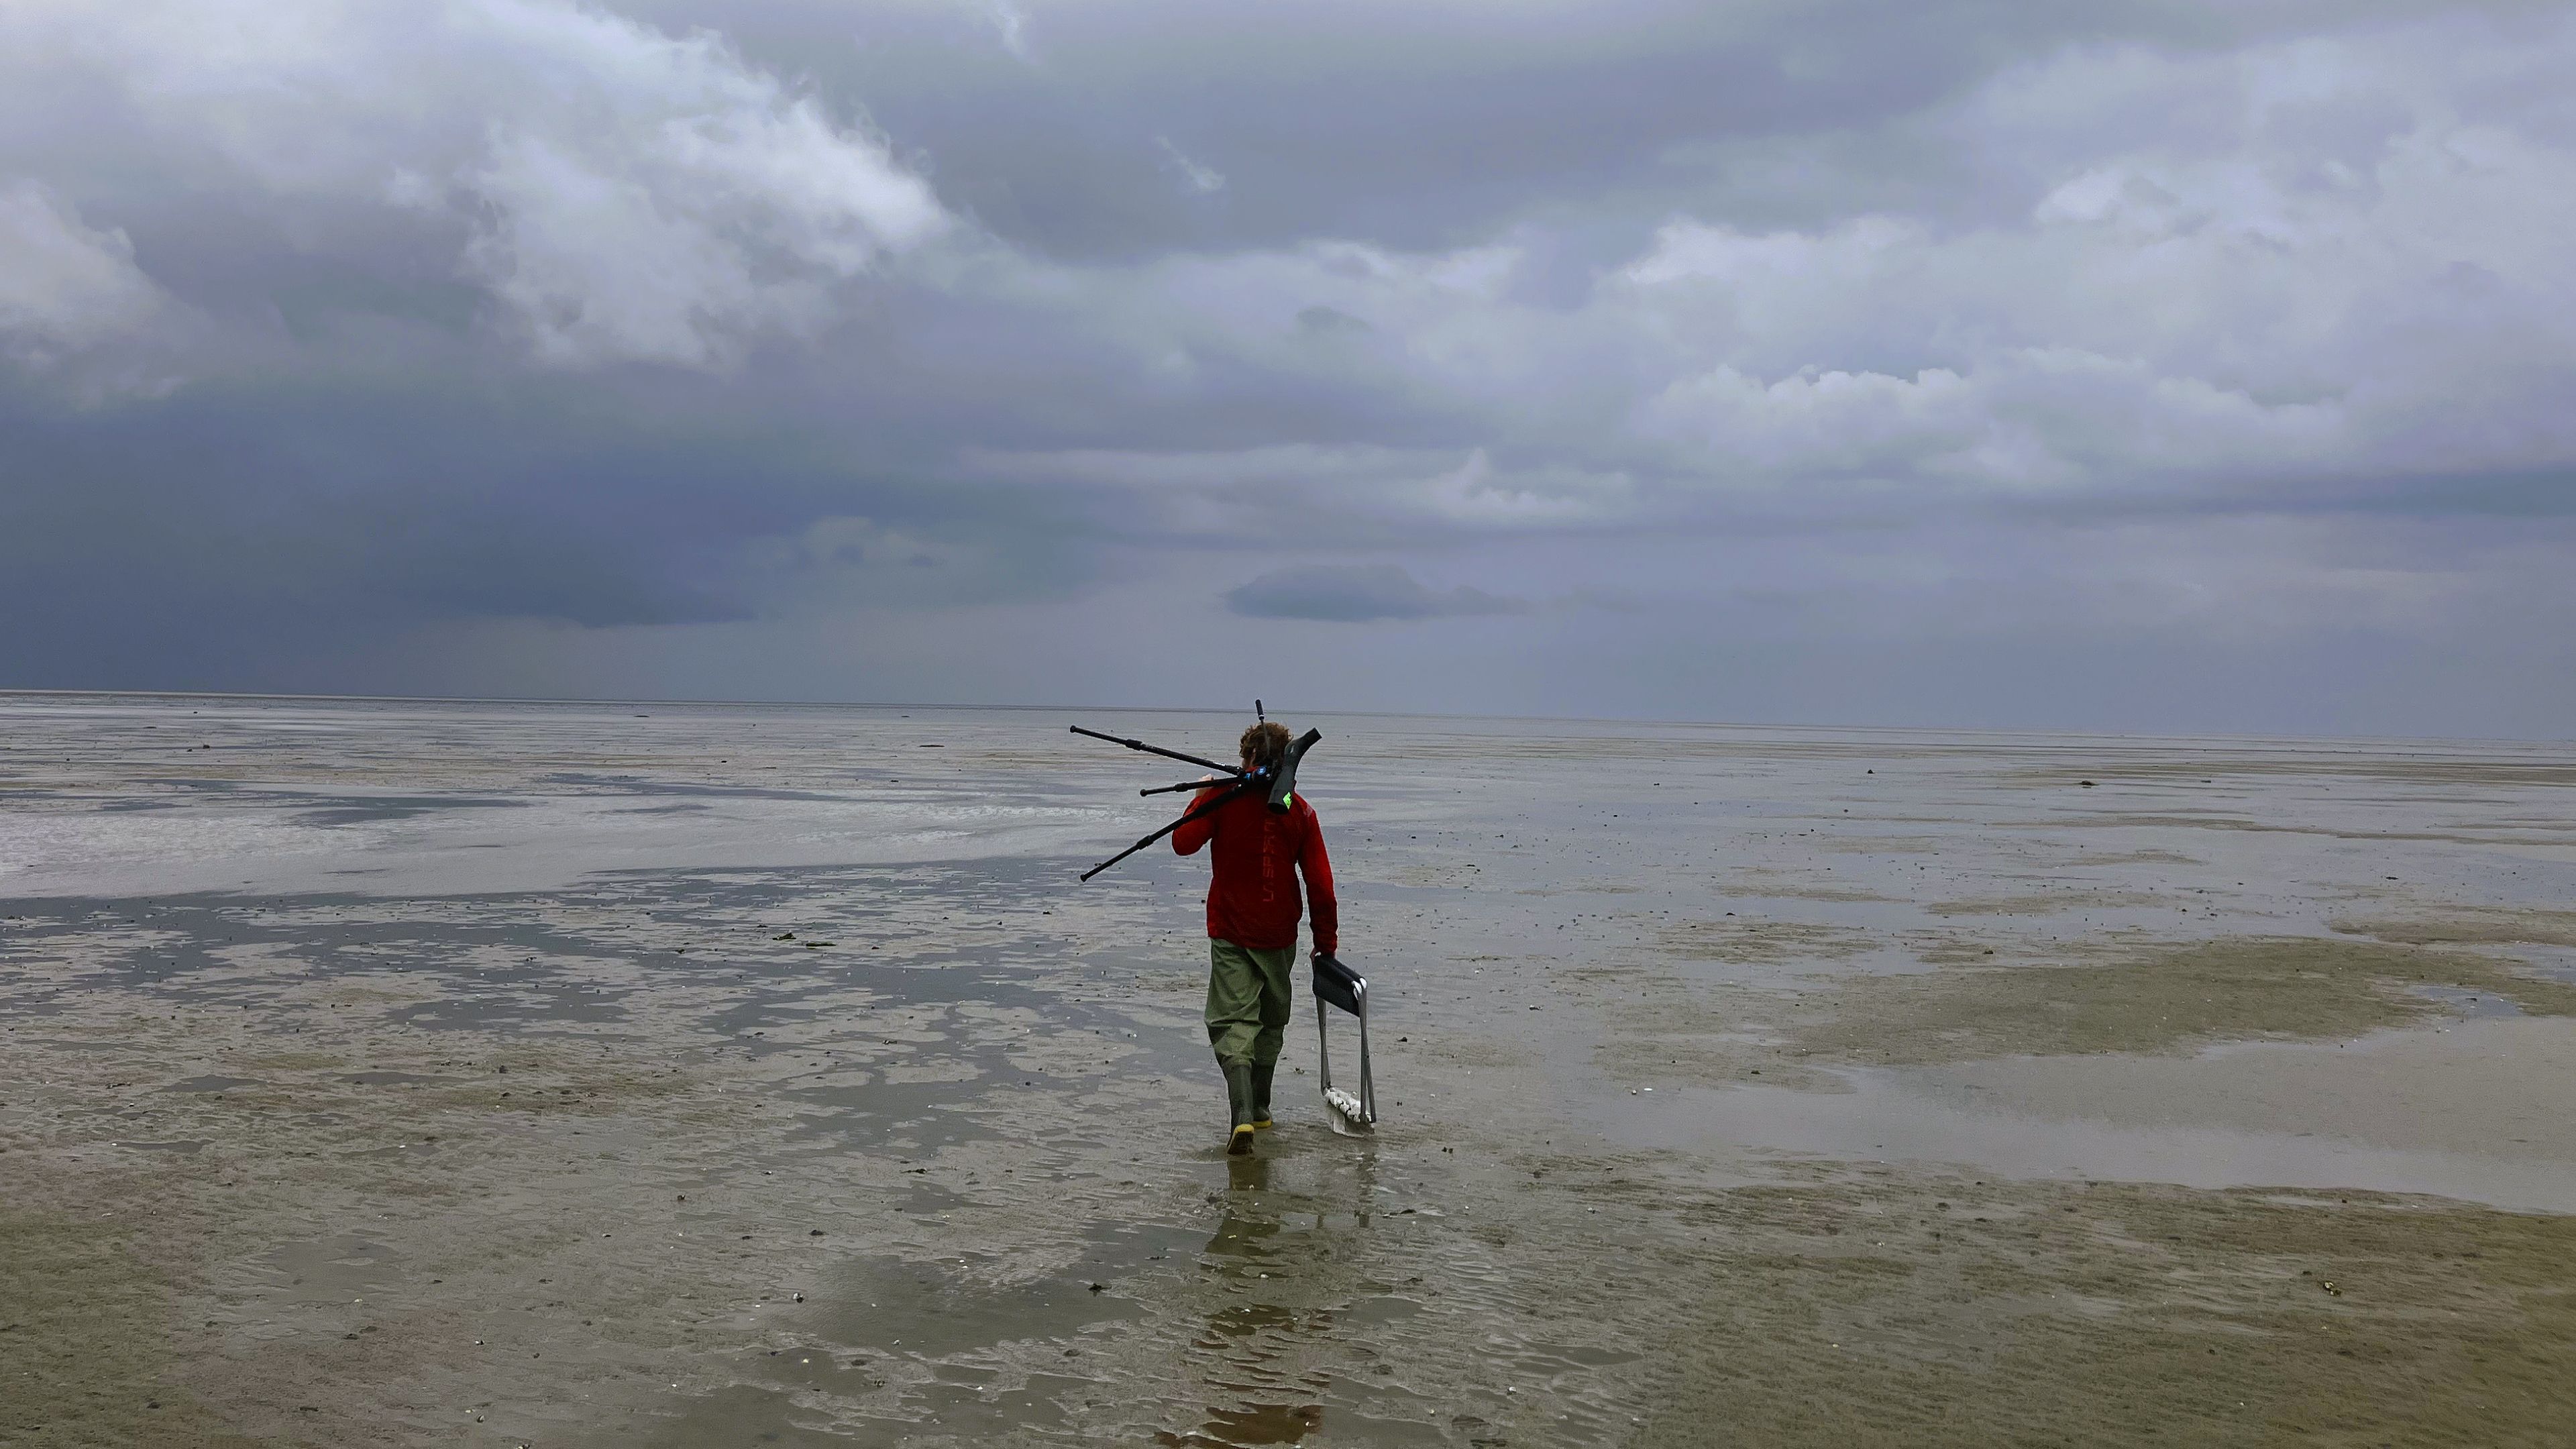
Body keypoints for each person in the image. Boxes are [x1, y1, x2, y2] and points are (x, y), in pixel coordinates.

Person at [1173, 719, 1338, 1155]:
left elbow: (1182, 842)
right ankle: (1261, 1109)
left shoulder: (1224, 800)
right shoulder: (1300, 811)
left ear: (1246, 760)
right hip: (1280, 935)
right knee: (1270, 1021)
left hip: (1230, 930)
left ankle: (1243, 1114)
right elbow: (1321, 886)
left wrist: (1200, 798)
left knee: (1231, 1021)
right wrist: (1326, 944)